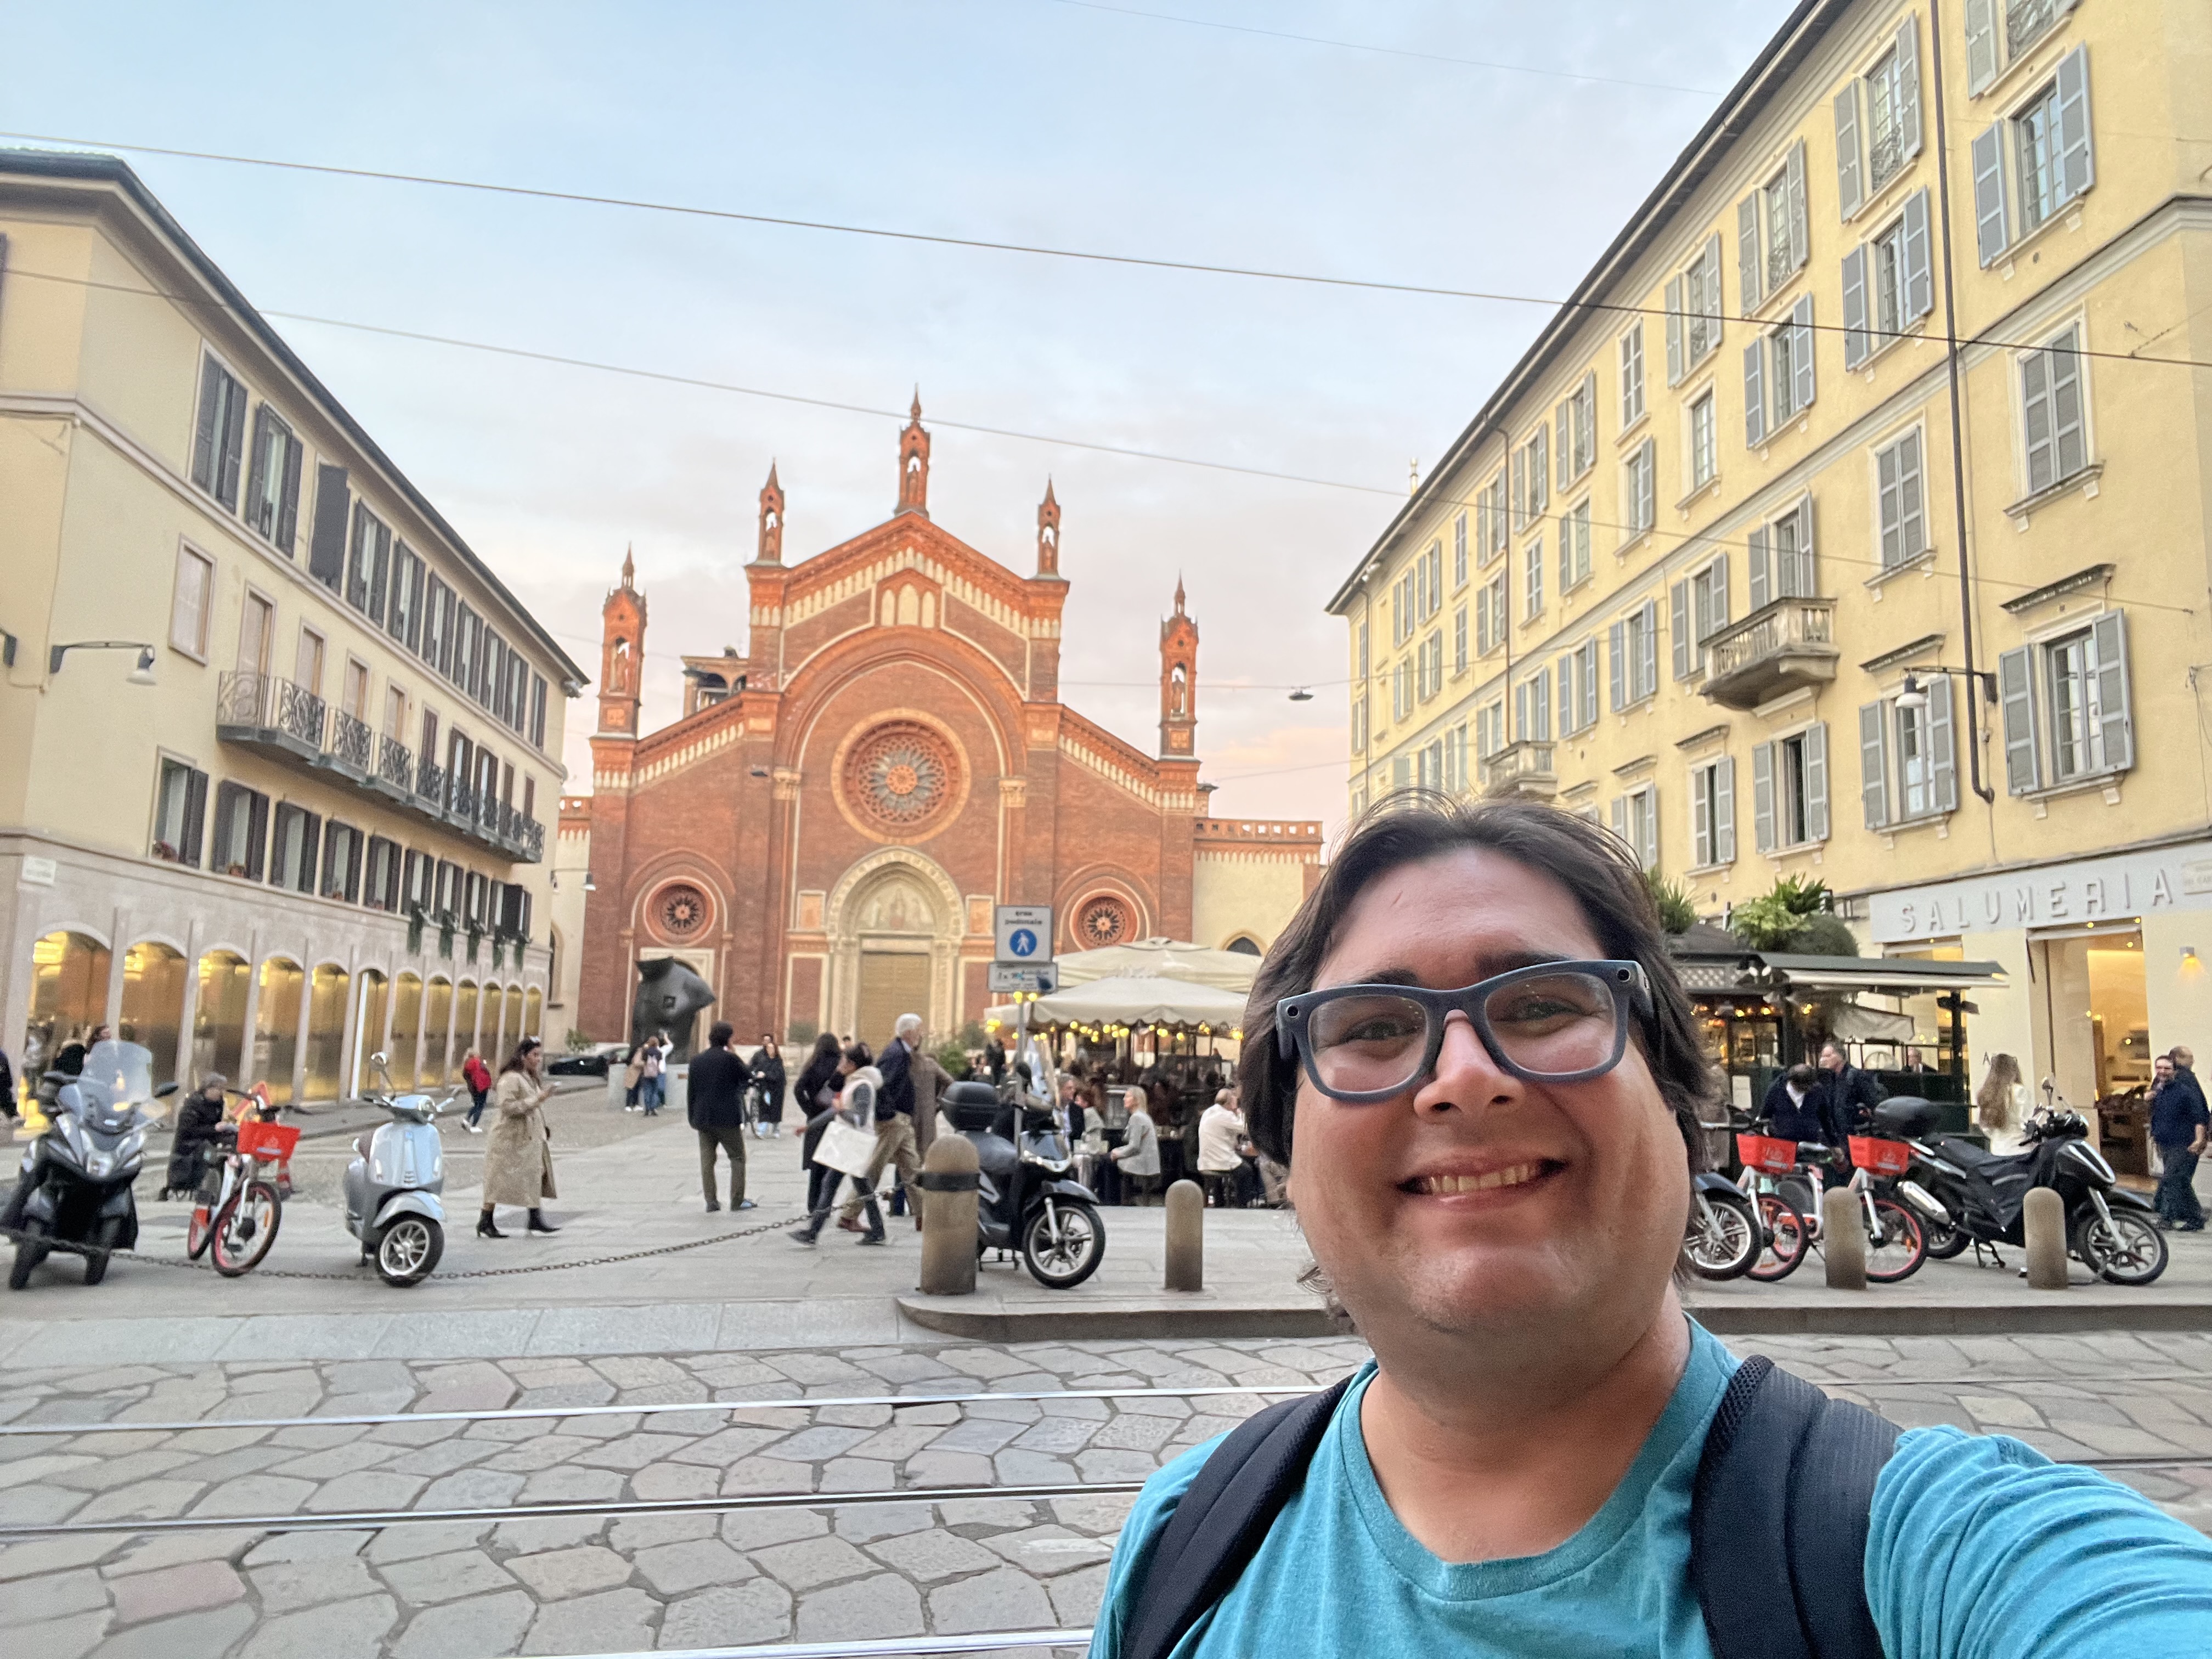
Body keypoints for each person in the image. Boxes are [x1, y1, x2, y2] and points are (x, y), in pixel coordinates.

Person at [1086, 795, 2212, 1659]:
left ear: (1679, 1109)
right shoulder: (1189, 1536)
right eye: (1374, 1028)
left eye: (1544, 1006)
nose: (1464, 1080)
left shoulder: (1933, 1556)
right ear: (1287, 1155)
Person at [842, 1013, 924, 1232]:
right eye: (919, 1030)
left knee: (912, 1168)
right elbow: (882, 1085)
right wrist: (888, 1114)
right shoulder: (896, 1054)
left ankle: (924, 1215)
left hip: (901, 1121)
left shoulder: (902, 1053)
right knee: (874, 1168)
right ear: (909, 1032)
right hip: (893, 1121)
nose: (921, 1034)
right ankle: (849, 1214)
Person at [792, 1061, 887, 1246]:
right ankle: (877, 1230)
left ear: (853, 1065)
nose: (840, 1065)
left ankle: (813, 1232)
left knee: (833, 1185)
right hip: (848, 1142)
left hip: (853, 1143)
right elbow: (835, 1111)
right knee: (860, 1187)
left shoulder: (863, 1086)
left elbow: (858, 1118)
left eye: (845, 1061)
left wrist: (841, 1109)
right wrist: (809, 1127)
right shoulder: (853, 1083)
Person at [479, 1037, 559, 1238]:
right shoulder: (511, 1078)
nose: (538, 1059)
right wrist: (539, 1098)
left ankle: (534, 1218)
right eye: (535, 1055)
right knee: (498, 1179)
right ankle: (486, 1220)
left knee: (535, 1173)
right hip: (510, 1138)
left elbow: (534, 1107)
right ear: (523, 1056)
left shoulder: (528, 1077)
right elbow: (507, 1106)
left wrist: (543, 1126)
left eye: (540, 1055)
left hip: (528, 1137)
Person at [688, 1022, 755, 1212]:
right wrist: (733, 1053)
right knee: (737, 1158)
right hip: (727, 1119)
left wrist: (692, 1117)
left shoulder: (697, 1060)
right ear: (728, 1039)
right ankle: (737, 1200)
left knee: (707, 1162)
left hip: (703, 1118)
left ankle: (711, 1201)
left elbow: (691, 1092)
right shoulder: (730, 1059)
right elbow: (748, 1076)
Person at [2150, 1052, 2209, 1232]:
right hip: (2165, 1143)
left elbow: (2200, 1116)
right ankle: (2192, 1218)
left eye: (2167, 1068)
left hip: (2183, 1143)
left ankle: (2173, 1218)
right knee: (2179, 1180)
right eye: (2159, 1068)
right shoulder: (2159, 1090)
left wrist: (2200, 1140)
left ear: (2174, 1070)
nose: (2162, 1071)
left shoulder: (2185, 1091)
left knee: (2172, 1179)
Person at [794, 1032, 846, 1218]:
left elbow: (798, 1088)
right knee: (831, 1166)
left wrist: (809, 1109)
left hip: (816, 1119)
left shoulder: (813, 1064)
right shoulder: (841, 1065)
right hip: (837, 1117)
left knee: (816, 1166)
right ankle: (826, 1205)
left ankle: (812, 1205)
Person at [161, 1074, 230, 1199]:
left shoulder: (219, 1104)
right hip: (190, 1145)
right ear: (208, 1089)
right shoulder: (193, 1104)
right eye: (219, 1089)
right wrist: (214, 1129)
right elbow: (188, 1130)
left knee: (228, 1152)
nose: (221, 1093)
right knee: (208, 1153)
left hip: (208, 1140)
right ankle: (202, 1186)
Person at [1816, 1037, 1885, 1139]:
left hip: (1855, 1133)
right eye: (1823, 1056)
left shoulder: (1855, 1076)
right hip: (1838, 1134)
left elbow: (1872, 1102)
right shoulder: (1832, 1078)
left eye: (1828, 1056)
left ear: (1840, 1056)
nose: (1824, 1059)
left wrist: (1860, 1113)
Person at [1759, 1062, 1833, 1146]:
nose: (1808, 1089)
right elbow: (1765, 1115)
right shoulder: (1776, 1090)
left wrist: (1834, 1144)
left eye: (1810, 1086)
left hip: (1811, 1142)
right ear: (1792, 1082)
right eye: (1804, 1087)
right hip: (1783, 1142)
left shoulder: (1817, 1090)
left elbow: (1825, 1118)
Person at [1110, 1087, 1160, 1205]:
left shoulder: (1137, 1118)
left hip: (1142, 1160)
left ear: (1136, 1100)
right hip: (1148, 1159)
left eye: (1127, 1096)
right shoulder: (1144, 1116)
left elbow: (1134, 1146)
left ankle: (1113, 1199)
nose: (1124, 1099)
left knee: (1108, 1161)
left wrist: (1117, 1154)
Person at [1198, 1088, 1246, 1207]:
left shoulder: (1209, 1112)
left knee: (1217, 1180)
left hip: (1206, 1160)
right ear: (1229, 1103)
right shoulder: (1225, 1115)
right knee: (1246, 1172)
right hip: (1220, 1160)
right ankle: (1242, 1205)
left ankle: (1220, 1203)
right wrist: (1240, 1113)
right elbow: (1244, 1128)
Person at [751, 1036, 787, 1138]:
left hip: (777, 1090)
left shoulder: (778, 1062)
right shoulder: (763, 1060)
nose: (770, 1050)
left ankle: (776, 1130)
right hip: (765, 1089)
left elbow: (778, 1076)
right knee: (764, 1109)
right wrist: (755, 1076)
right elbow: (756, 1070)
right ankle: (761, 1131)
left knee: (775, 1110)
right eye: (768, 1048)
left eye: (772, 1048)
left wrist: (765, 1074)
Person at [460, 1047, 493, 1133]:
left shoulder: (467, 1064)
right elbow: (484, 1074)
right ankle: (474, 1125)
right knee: (480, 1106)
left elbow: (465, 1076)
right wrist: (489, 1084)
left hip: (473, 1088)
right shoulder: (477, 1062)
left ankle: (466, 1119)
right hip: (481, 1087)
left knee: (476, 1105)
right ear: (475, 1055)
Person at [638, 1034, 667, 1116]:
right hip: (655, 1074)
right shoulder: (659, 1053)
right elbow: (658, 1065)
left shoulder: (645, 1052)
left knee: (647, 1091)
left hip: (646, 1074)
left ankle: (647, 1109)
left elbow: (644, 1063)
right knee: (655, 1092)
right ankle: (653, 1108)